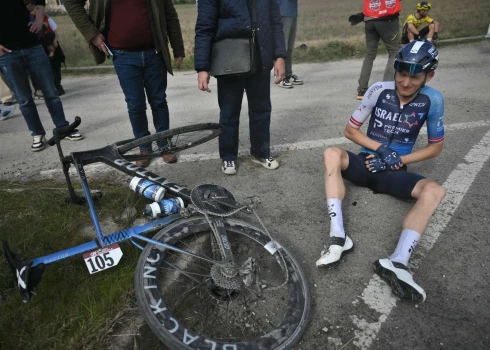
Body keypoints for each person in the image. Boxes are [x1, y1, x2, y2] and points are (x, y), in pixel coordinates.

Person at [317, 40, 446, 303]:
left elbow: (435, 147)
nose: (406, 82)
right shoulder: (378, 90)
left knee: (435, 190)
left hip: (393, 172)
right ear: (395, 69)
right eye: (401, 73)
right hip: (365, 163)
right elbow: (350, 130)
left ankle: (398, 263)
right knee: (332, 153)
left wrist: (397, 159)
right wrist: (381, 149)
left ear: (429, 75)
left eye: (415, 76)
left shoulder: (433, 100)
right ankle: (338, 236)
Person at [64, 0, 185, 167]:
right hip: (123, 56)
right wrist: (92, 34)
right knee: (135, 104)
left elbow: (170, 14)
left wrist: (178, 48)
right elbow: (71, 3)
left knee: (158, 100)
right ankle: (144, 147)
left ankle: (164, 145)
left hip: (154, 52)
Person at [195, 0, 286, 175]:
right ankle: (228, 156)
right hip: (230, 57)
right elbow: (205, 26)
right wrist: (202, 67)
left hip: (260, 55)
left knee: (262, 110)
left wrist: (280, 56)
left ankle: (261, 153)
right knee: (229, 112)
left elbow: (275, 21)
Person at [0, 0, 82, 151]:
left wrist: (39, 20)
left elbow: (39, 1)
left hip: (33, 47)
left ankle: (63, 128)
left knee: (51, 93)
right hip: (8, 54)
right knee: (24, 99)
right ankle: (37, 134)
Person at [356, 0, 402, 100]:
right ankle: (386, 88)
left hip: (369, 20)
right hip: (387, 19)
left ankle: (362, 90)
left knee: (370, 54)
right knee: (394, 52)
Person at [25, 0, 66, 99]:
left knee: (55, 67)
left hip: (51, 43)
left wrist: (55, 40)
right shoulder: (28, 19)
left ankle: (58, 86)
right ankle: (44, 89)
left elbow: (54, 30)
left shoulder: (46, 17)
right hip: (39, 46)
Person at [277, 0, 303, 89]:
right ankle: (281, 77)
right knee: (284, 47)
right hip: (283, 13)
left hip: (292, 13)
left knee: (290, 48)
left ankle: (288, 75)